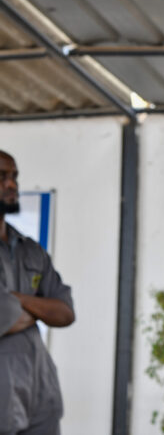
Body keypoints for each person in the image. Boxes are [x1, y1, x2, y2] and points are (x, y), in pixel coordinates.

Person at [0, 150, 75, 435]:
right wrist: (41, 308)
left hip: (41, 392)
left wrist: (17, 299)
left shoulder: (31, 249)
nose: (12, 185)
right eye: (2, 177)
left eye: (14, 177)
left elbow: (65, 312)